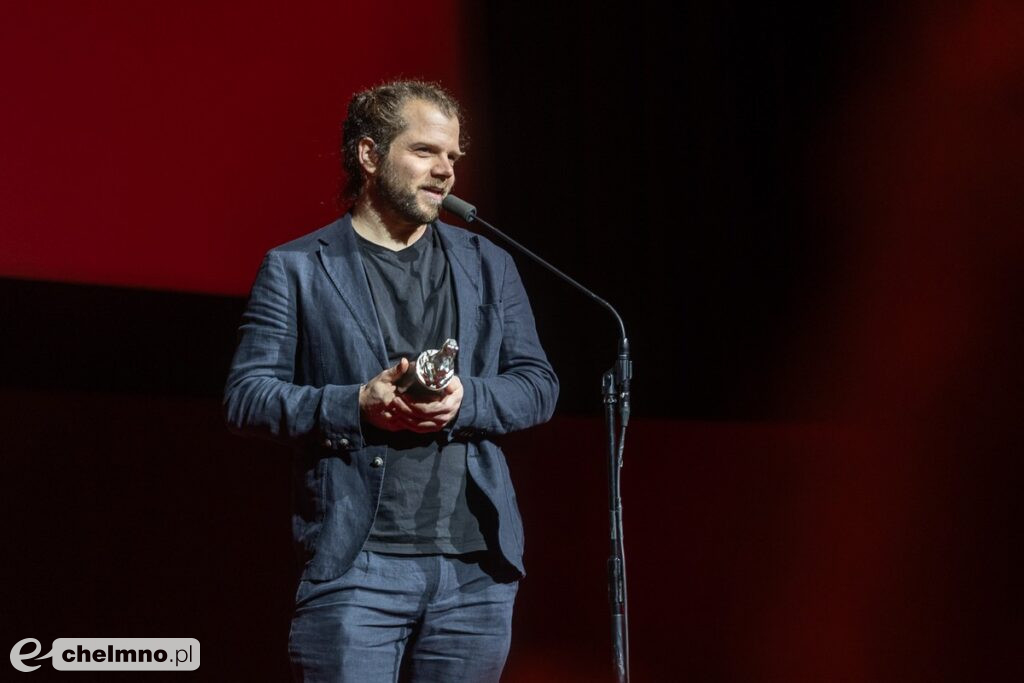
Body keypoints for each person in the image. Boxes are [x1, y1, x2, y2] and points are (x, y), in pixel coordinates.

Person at [224, 80, 559, 682]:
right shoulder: (298, 268)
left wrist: (467, 399)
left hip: (476, 570)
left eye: (454, 156)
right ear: (370, 155)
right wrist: (356, 403)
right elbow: (248, 397)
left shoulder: (489, 264)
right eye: (426, 151)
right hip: (359, 567)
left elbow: (537, 383)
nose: (446, 171)